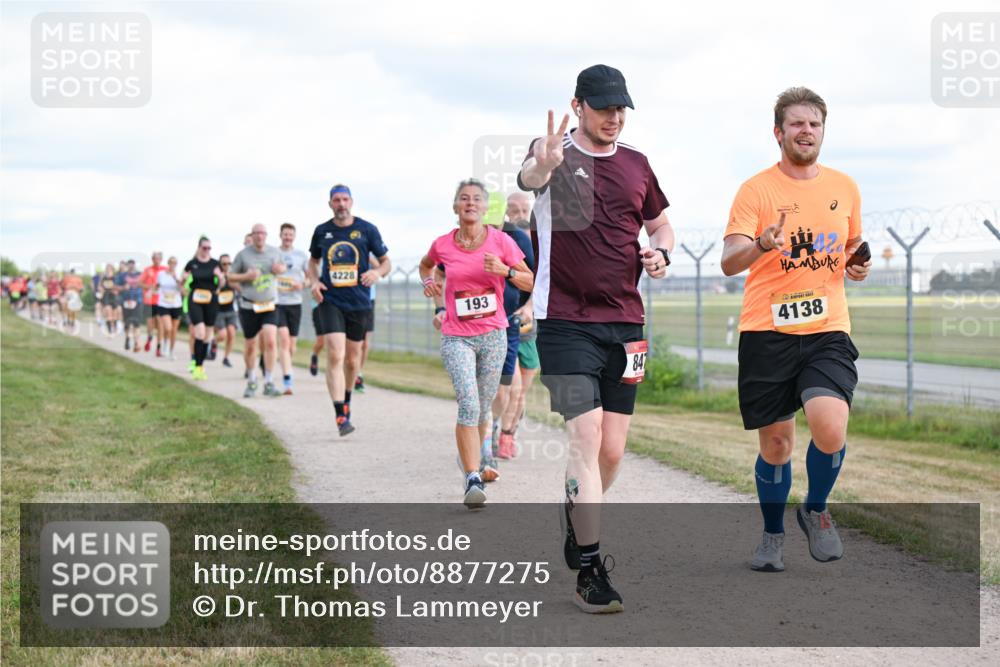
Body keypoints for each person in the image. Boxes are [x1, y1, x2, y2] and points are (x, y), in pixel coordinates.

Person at [518, 64, 675, 613]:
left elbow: (660, 224)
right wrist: (545, 162)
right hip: (563, 320)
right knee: (585, 439)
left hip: (626, 324)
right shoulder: (552, 152)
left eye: (621, 108)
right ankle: (590, 571)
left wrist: (661, 252)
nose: (614, 116)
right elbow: (531, 178)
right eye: (604, 107)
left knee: (611, 451)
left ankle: (575, 512)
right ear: (578, 105)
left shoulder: (637, 164)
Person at [720, 87, 871, 573]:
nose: (806, 131)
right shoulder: (756, 190)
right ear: (778, 132)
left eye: (814, 124)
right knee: (777, 444)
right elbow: (728, 262)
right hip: (768, 330)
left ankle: (816, 508)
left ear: (823, 131)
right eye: (797, 124)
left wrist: (855, 265)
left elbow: (850, 246)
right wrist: (762, 243)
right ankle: (771, 533)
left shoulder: (844, 187)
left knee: (830, 428)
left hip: (828, 328)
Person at [419, 178, 533, 507]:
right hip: (457, 336)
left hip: (494, 334)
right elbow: (427, 265)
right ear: (456, 207)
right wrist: (430, 284)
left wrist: (504, 271)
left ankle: (478, 458)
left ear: (485, 208)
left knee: (484, 407)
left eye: (476, 199)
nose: (470, 203)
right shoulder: (442, 244)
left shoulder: (501, 242)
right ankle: (471, 477)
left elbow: (529, 279)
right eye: (464, 199)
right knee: (468, 403)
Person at [307, 185, 391, 436]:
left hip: (359, 303)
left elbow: (386, 262)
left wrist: (376, 272)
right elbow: (313, 261)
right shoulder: (322, 231)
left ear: (351, 202)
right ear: (330, 204)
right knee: (335, 354)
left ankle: (347, 400)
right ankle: (339, 415)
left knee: (352, 360)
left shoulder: (367, 229)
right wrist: (314, 281)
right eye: (336, 200)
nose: (341, 204)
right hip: (330, 300)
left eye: (345, 199)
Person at [489, 192, 536, 462]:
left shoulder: (535, 236)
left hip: (529, 323)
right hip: (503, 322)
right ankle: (500, 431)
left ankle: (509, 429)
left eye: (523, 209)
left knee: (521, 391)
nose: (519, 214)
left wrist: (528, 308)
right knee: (511, 386)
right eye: (513, 210)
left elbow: (541, 279)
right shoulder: (504, 236)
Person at [229, 223, 286, 397]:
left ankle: (269, 381)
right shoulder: (243, 255)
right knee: (250, 345)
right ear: (252, 235)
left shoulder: (275, 252)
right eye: (257, 233)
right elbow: (230, 276)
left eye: (263, 233)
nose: (260, 236)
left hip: (270, 303)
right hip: (249, 305)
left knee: (270, 340)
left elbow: (283, 267)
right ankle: (252, 379)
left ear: (266, 235)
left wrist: (279, 269)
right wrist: (246, 276)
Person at [181, 237, 223, 380]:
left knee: (207, 335)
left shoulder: (215, 264)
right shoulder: (192, 264)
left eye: (209, 248)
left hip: (211, 299)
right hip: (195, 299)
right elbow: (182, 281)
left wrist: (220, 278)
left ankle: (200, 366)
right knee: (199, 332)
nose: (207, 250)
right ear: (199, 247)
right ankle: (196, 364)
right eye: (204, 248)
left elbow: (222, 282)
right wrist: (182, 282)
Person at [277, 223, 309, 395]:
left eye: (290, 235)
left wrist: (302, 284)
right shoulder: (274, 254)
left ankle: (287, 364)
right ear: (280, 235)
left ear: (294, 237)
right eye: (285, 234)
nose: (287, 237)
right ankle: (287, 380)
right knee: (283, 340)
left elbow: (311, 278)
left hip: (295, 303)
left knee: (291, 346)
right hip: (277, 302)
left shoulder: (301, 255)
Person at [353, 254, 382, 393]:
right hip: (351, 298)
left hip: (368, 299)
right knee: (352, 342)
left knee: (364, 343)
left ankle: (358, 373)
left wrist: (368, 255)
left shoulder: (372, 251)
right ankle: (349, 370)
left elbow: (379, 268)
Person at [155, 257, 183, 359]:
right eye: (171, 263)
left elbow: (182, 289)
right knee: (168, 327)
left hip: (176, 304)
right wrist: (151, 291)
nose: (173, 265)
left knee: (174, 330)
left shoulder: (179, 274)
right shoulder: (161, 274)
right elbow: (157, 286)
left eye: (175, 264)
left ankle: (171, 351)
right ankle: (165, 345)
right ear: (168, 263)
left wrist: (176, 278)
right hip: (164, 304)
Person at [213, 254, 239, 368]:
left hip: (231, 309)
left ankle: (226, 358)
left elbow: (239, 288)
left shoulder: (233, 275)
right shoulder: (216, 276)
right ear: (220, 264)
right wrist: (220, 283)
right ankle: (212, 342)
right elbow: (213, 293)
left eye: (229, 263)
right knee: (223, 335)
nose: (227, 265)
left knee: (232, 333)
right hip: (219, 310)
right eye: (224, 264)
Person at [140, 252, 166, 353]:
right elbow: (140, 283)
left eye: (159, 258)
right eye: (155, 258)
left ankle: (159, 347)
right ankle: (150, 337)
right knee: (150, 324)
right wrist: (150, 287)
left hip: (161, 301)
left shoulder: (165, 270)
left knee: (160, 323)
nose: (157, 260)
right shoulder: (147, 270)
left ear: (161, 259)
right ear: (152, 259)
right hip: (149, 301)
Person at [119, 259, 144, 352]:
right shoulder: (122, 276)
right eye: (129, 265)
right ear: (127, 266)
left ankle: (136, 343)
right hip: (125, 301)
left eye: (132, 264)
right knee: (127, 323)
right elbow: (115, 287)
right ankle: (127, 339)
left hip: (138, 301)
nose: (131, 266)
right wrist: (123, 287)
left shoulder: (140, 274)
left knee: (136, 323)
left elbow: (146, 284)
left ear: (134, 265)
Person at [97, 264, 118, 335]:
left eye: (109, 268)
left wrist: (115, 289)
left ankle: (115, 326)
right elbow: (99, 286)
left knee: (114, 315)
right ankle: (110, 331)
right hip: (106, 296)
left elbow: (118, 287)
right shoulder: (103, 278)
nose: (108, 270)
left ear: (112, 270)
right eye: (107, 268)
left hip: (114, 297)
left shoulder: (115, 278)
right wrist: (101, 289)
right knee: (108, 312)